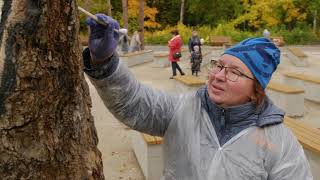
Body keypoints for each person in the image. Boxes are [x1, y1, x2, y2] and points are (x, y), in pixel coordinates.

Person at [83, 14, 313, 180]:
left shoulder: (280, 143)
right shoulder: (184, 108)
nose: (219, 76)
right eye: (219, 66)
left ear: (256, 90)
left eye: (234, 72)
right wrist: (104, 61)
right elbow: (133, 104)